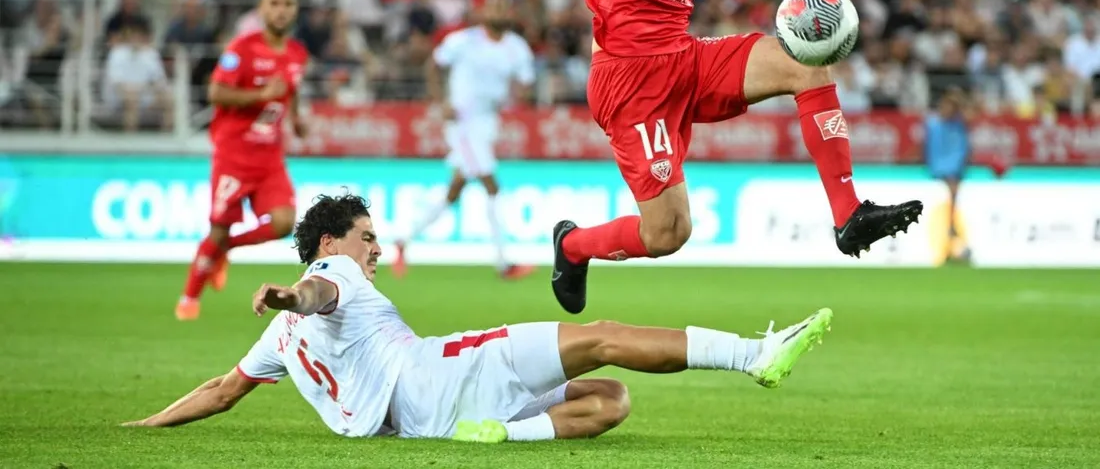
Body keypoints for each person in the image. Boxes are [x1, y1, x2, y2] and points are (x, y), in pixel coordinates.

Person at [542, 0, 923, 314]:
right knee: (667, 233)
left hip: (684, 57)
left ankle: (849, 214)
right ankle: (572, 247)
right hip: (630, 78)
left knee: (805, 61)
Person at [126, 193, 832, 442]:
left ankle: (503, 435)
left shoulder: (276, 340)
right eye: (367, 236)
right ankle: (753, 355)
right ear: (329, 242)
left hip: (424, 419)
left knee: (611, 399)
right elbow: (316, 296)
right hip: (438, 373)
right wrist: (288, 291)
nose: (375, 247)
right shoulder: (327, 272)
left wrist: (148, 424)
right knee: (604, 335)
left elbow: (223, 389)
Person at [175, 0, 309, 321]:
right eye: (274, 4)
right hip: (234, 154)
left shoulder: (297, 53)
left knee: (284, 222)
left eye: (288, 4)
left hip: (269, 157)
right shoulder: (241, 49)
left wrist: (295, 118)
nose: (281, 11)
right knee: (218, 228)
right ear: (262, 9)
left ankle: (226, 250)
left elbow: (290, 89)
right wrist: (259, 96)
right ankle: (189, 297)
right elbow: (216, 93)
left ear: (296, 10)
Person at [394, 0, 537, 280]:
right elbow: (433, 66)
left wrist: (514, 97)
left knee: (455, 189)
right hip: (462, 122)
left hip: (487, 123)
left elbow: (526, 85)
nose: (497, 11)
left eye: (502, 6)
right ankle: (503, 263)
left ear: (509, 14)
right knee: (490, 184)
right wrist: (440, 102)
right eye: (492, 6)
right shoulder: (463, 40)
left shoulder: (517, 48)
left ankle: (403, 239)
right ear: (483, 13)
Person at [924, 87, 971, 261]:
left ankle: (953, 231)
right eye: (944, 105)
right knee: (947, 192)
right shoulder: (933, 123)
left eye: (951, 106)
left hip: (955, 169)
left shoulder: (959, 123)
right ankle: (949, 231)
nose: (947, 110)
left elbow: (971, 114)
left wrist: (959, 99)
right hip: (939, 169)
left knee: (954, 191)